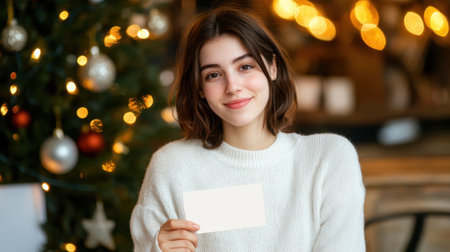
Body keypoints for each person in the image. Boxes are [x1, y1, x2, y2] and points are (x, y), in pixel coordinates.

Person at [130, 5, 366, 252]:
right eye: (213, 75)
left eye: (245, 67)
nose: (232, 86)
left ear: (272, 67)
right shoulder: (172, 167)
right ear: (199, 88)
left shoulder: (328, 158)